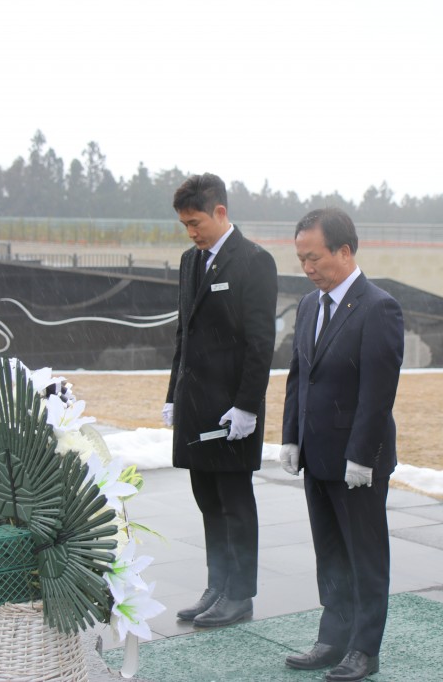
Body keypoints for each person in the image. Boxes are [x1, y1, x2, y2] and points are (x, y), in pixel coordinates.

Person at [279, 207, 404, 682]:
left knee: (364, 557)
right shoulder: (311, 304)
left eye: (314, 258)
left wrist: (361, 455)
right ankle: (332, 639)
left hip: (359, 463)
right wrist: (291, 436)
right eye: (301, 259)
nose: (307, 268)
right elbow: (298, 377)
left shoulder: (378, 307)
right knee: (329, 552)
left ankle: (364, 649)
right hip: (316, 455)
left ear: (345, 251)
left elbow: (378, 393)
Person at [162, 172, 278, 627]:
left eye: (196, 222)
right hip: (196, 403)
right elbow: (183, 334)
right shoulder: (190, 261)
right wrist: (173, 393)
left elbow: (260, 341)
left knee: (235, 501)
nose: (192, 232)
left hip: (232, 407)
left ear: (221, 212)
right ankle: (217, 585)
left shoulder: (254, 261)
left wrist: (248, 404)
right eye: (185, 225)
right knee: (207, 498)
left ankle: (240, 594)